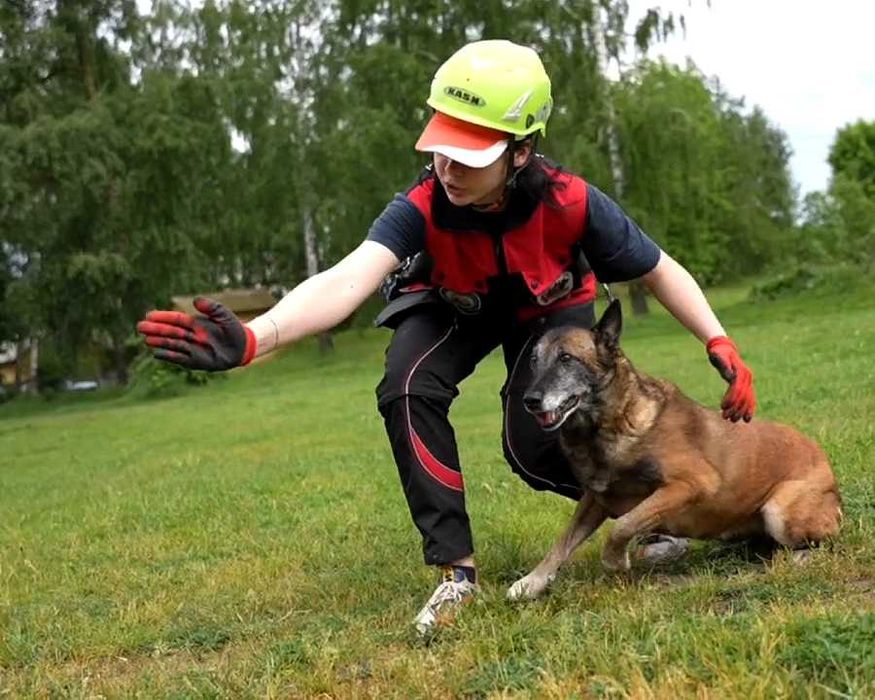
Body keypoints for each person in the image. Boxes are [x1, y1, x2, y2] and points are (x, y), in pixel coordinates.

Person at [136, 39, 756, 635]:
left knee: (532, 446)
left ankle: (665, 515)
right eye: (441, 149)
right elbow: (347, 278)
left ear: (520, 151)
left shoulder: (572, 202)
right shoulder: (423, 205)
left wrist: (718, 341)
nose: (448, 168)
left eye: (470, 156)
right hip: (454, 303)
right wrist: (255, 338)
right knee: (407, 384)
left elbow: (659, 268)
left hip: (548, 311)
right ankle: (455, 572)